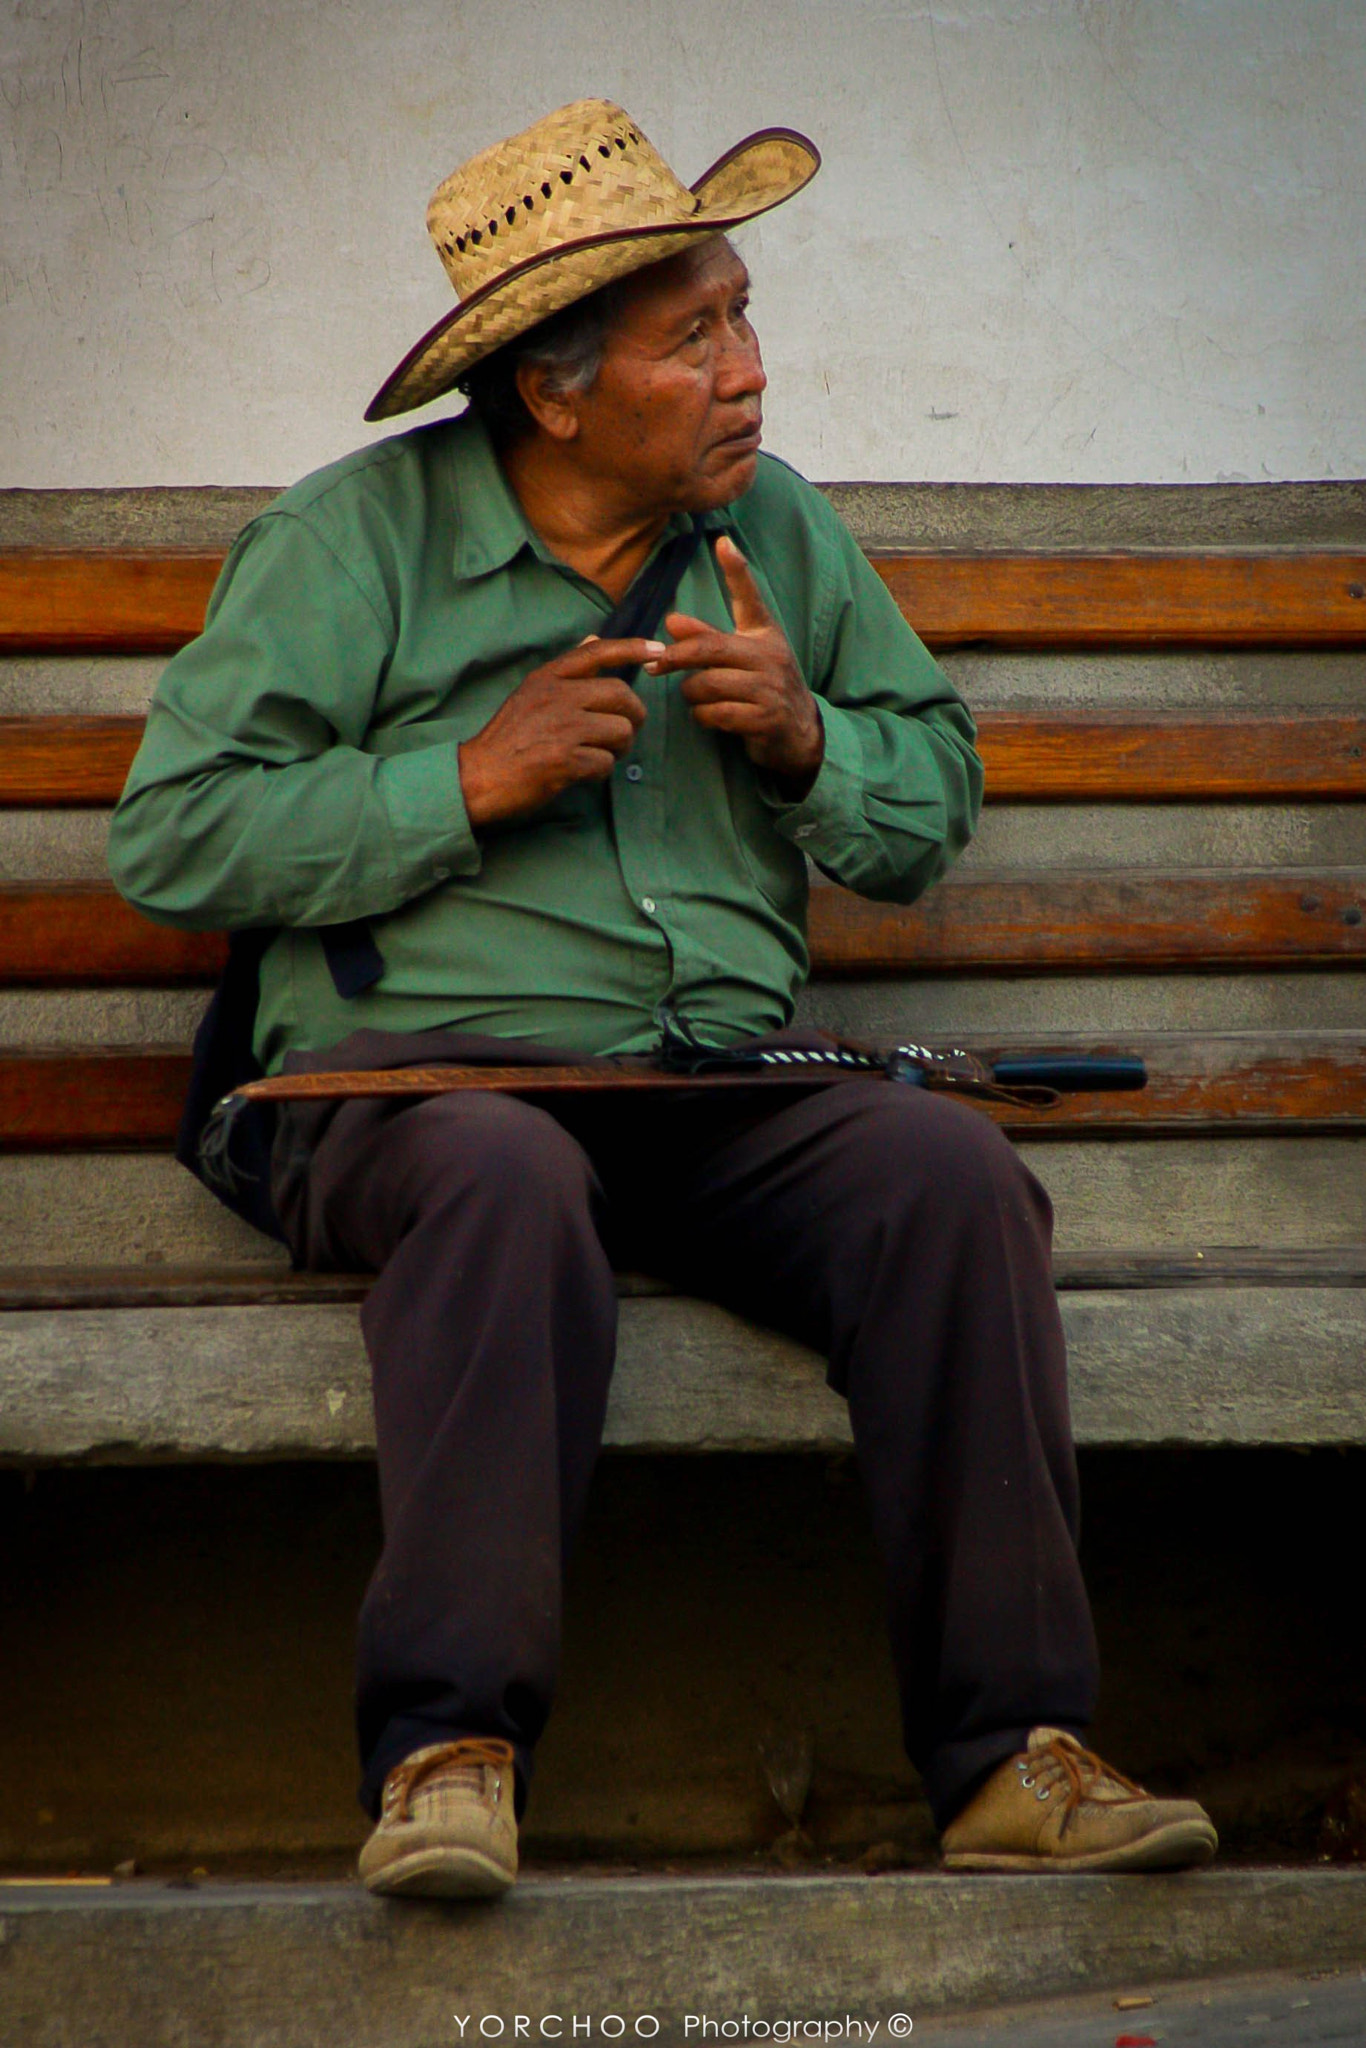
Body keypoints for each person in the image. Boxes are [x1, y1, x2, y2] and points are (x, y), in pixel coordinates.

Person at [107, 98, 1218, 1898]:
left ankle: (1016, 1754)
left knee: (948, 1185)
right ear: (551, 390)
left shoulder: (772, 529)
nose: (748, 371)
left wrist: (808, 744)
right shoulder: (347, 546)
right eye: (691, 336)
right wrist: (457, 782)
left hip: (710, 1084)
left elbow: (927, 797)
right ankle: (446, 1754)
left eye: (745, 316)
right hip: (412, 1095)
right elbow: (169, 841)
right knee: (502, 1179)